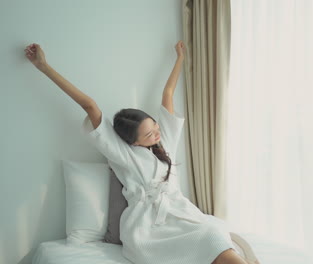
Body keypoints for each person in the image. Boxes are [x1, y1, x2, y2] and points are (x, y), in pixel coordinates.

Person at [24, 42, 258, 264]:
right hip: (148, 228)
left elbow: (167, 93)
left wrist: (180, 58)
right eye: (148, 135)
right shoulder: (122, 153)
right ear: (132, 142)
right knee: (215, 247)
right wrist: (44, 67)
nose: (156, 134)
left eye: (155, 126)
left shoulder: (164, 139)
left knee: (214, 235)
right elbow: (90, 106)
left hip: (181, 213)